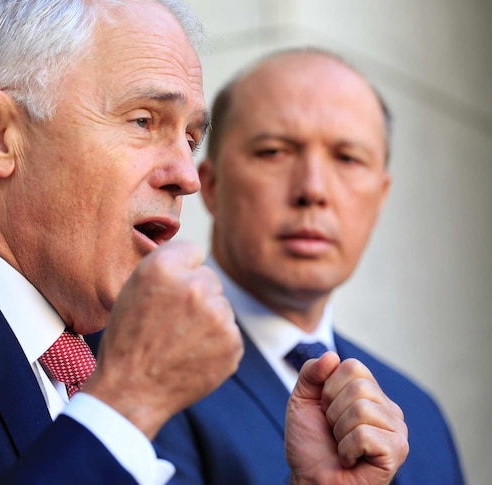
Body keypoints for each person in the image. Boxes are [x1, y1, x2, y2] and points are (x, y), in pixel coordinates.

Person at [0, 3, 408, 485]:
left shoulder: (104, 369)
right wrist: (127, 404)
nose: (187, 175)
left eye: (190, 138)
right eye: (144, 121)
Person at [152, 47, 466, 484]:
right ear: (211, 185)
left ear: (380, 197)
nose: (313, 189)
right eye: (275, 152)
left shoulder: (421, 419)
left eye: (348, 158)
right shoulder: (139, 368)